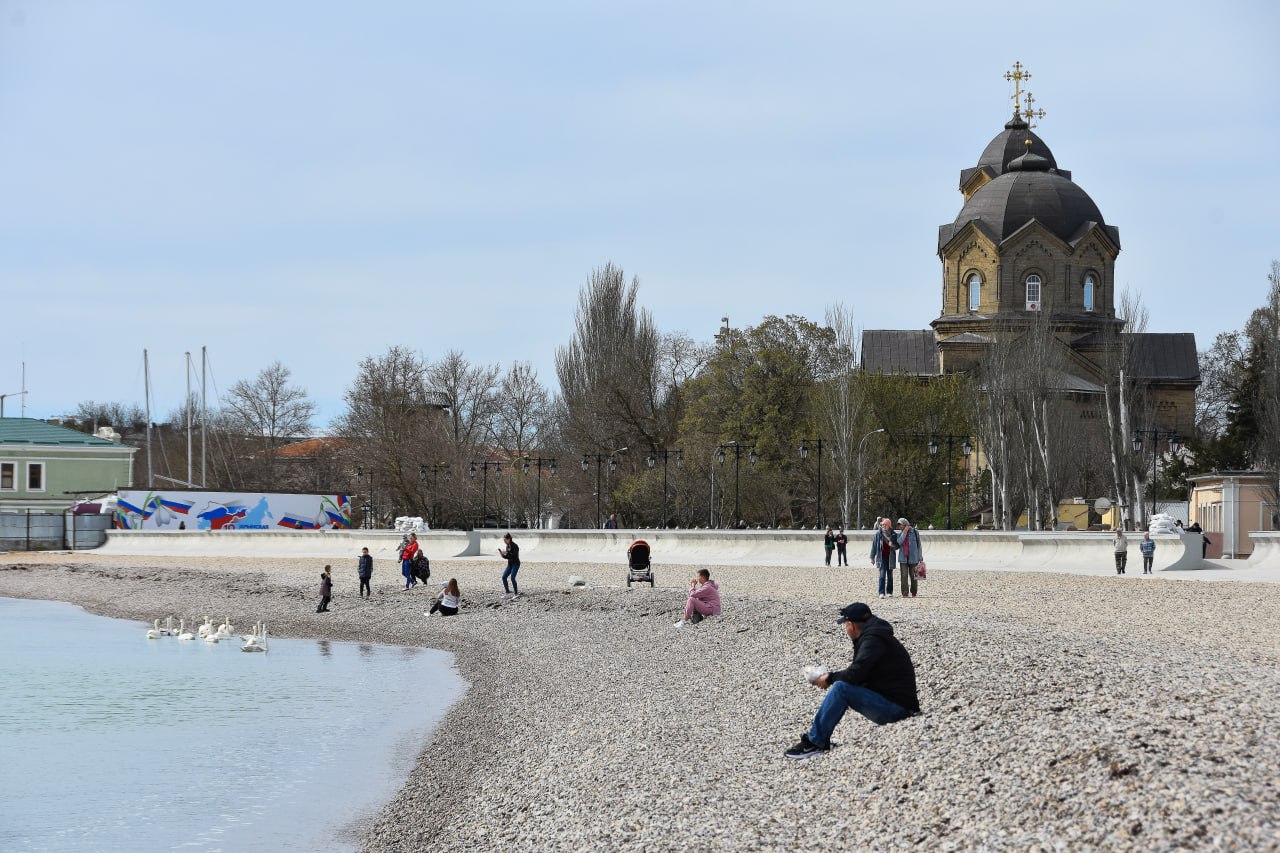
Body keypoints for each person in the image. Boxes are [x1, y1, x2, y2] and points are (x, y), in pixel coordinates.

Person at [785, 602, 919, 759]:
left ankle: (815, 742)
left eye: (845, 625)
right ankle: (820, 739)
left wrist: (829, 678)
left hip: (900, 710)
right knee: (843, 686)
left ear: (851, 625)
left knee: (841, 688)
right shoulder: (876, 636)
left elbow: (855, 674)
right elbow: (860, 674)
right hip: (898, 704)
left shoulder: (873, 641)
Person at [895, 518, 923, 598]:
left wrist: (920, 557)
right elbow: (899, 542)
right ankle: (905, 593)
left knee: (913, 576)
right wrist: (904, 532)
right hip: (903, 558)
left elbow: (919, 545)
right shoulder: (900, 533)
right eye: (898, 525)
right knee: (904, 576)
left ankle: (914, 592)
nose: (899, 526)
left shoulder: (915, 532)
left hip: (913, 558)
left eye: (900, 524)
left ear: (905, 524)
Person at [869, 518, 897, 598]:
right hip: (881, 557)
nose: (883, 526)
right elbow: (874, 546)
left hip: (890, 557)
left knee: (890, 575)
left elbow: (898, 546)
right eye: (882, 525)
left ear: (888, 525)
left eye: (885, 524)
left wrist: (893, 545)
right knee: (882, 575)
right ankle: (881, 592)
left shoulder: (894, 534)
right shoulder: (878, 534)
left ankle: (889, 592)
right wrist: (872, 557)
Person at [499, 533, 521, 598]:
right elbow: (508, 557)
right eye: (504, 540)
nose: (504, 541)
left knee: (512, 578)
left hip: (516, 564)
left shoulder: (515, 546)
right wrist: (503, 555)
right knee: (504, 577)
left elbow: (514, 556)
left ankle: (516, 593)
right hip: (510, 564)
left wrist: (507, 553)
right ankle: (507, 592)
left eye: (505, 540)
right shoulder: (507, 546)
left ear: (509, 539)